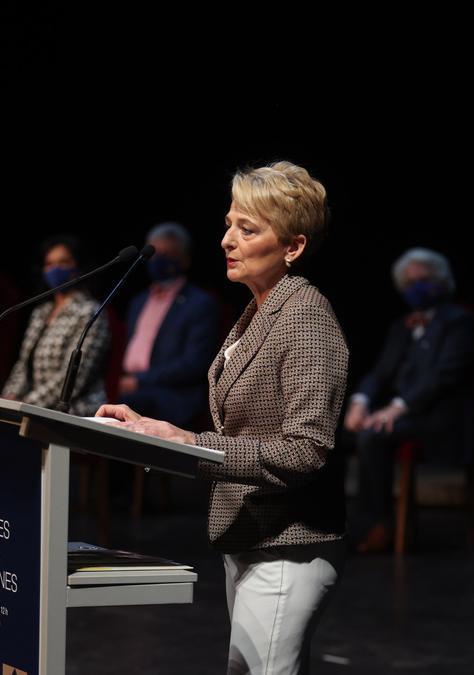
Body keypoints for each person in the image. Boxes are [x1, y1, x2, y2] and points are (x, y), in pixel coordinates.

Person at [98, 161, 348, 674]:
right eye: (230, 223)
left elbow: (307, 448)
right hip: (251, 538)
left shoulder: (305, 316)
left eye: (248, 229)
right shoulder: (259, 311)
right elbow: (247, 428)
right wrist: (154, 431)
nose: (227, 240)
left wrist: (190, 443)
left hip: (288, 545)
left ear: (293, 247)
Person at [342, 247, 474, 553]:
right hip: (403, 416)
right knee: (337, 435)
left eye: (424, 279)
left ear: (442, 280)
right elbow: (380, 372)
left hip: (441, 418)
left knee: (373, 437)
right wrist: (360, 402)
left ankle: (378, 527)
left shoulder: (459, 322)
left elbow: (442, 377)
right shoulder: (403, 326)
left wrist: (395, 409)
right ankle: (332, 522)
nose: (417, 286)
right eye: (409, 282)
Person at [118, 221, 218, 428]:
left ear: (185, 259)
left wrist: (141, 381)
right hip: (130, 387)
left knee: (125, 408)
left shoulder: (199, 303)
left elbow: (194, 364)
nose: (159, 259)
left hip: (172, 394)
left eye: (168, 253)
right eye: (155, 252)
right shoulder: (139, 301)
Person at [0, 235, 109, 416]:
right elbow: (23, 364)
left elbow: (74, 377)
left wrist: (25, 404)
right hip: (33, 410)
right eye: (49, 264)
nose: (55, 269)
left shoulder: (90, 312)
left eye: (63, 262)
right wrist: (8, 397)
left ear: (78, 267)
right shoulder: (41, 312)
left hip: (74, 412)